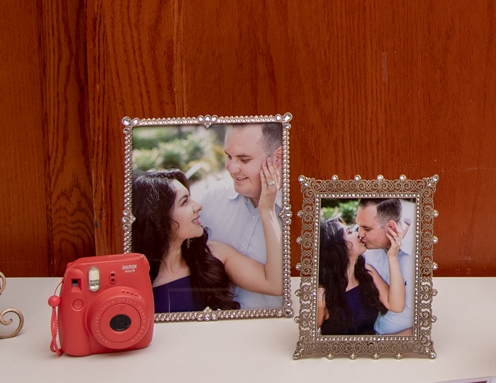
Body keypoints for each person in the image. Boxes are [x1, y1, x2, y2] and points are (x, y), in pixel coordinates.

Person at [130, 170, 285, 313]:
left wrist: (267, 211)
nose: (198, 205)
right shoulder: (133, 277)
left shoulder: (213, 254)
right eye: (184, 202)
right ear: (158, 217)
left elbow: (276, 284)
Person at [196, 123, 286, 310]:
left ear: (278, 158)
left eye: (244, 160)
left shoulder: (301, 212)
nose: (231, 168)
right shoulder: (212, 199)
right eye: (229, 156)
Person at [354, 199, 413, 334]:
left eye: (366, 229)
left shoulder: (421, 255)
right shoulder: (364, 248)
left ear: (391, 227)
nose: (359, 234)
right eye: (358, 226)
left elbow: (431, 325)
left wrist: (385, 343)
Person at [315, 219, 382, 335]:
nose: (358, 234)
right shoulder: (322, 297)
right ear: (337, 247)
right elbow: (308, 338)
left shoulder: (366, 276)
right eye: (350, 232)